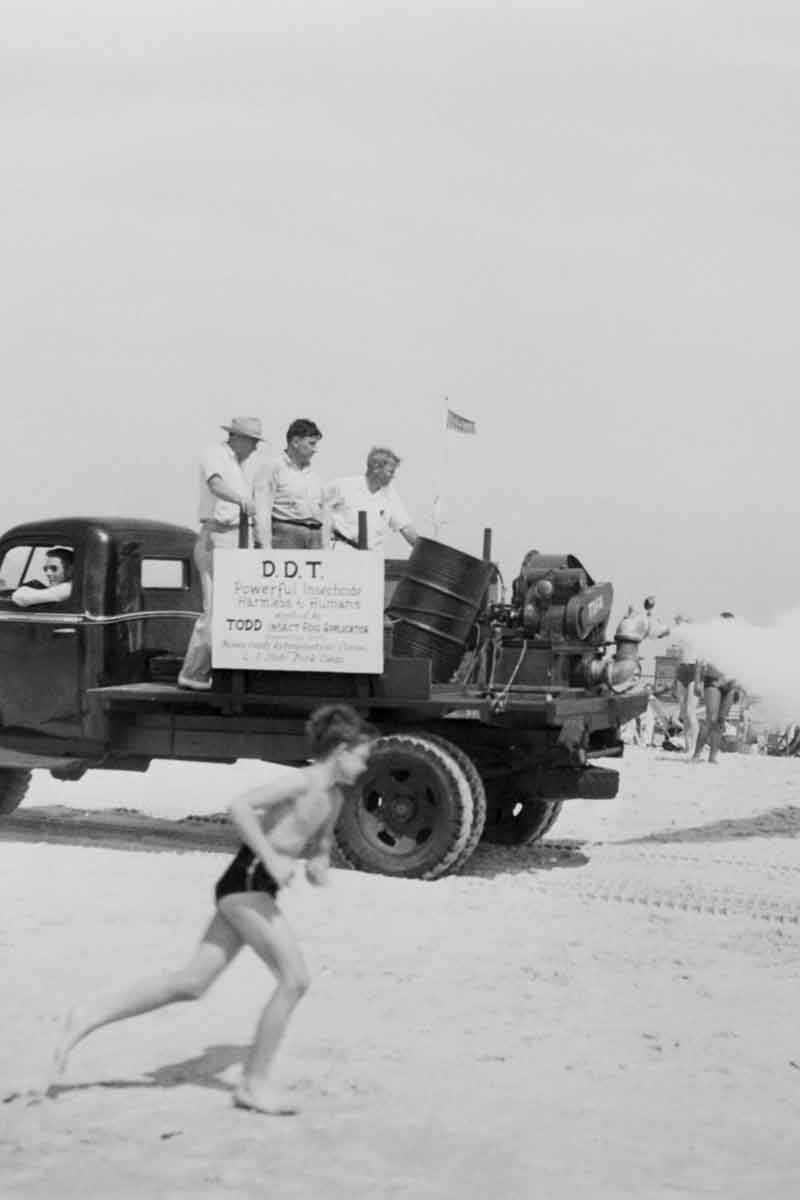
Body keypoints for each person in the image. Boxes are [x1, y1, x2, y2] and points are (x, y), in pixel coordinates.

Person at [51, 703, 375, 1115]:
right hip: (245, 883)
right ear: (342, 749)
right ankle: (254, 1084)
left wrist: (319, 863)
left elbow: (321, 844)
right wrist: (272, 857)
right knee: (294, 979)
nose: (365, 767)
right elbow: (239, 806)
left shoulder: (335, 798)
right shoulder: (301, 781)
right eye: (362, 757)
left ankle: (87, 1014)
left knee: (191, 982)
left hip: (259, 890)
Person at [178, 417, 262, 691]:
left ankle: (212, 671)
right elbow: (215, 485)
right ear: (237, 437)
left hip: (236, 536)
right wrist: (241, 500)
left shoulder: (239, 466)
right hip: (217, 535)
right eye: (252, 442)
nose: (254, 448)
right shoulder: (214, 454)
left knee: (232, 609)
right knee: (215, 610)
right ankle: (193, 672)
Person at [324, 446, 418, 552]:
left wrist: (427, 551)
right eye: (390, 472)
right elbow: (317, 508)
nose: (393, 476)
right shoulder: (342, 486)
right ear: (376, 468)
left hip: (372, 557)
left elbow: (406, 528)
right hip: (342, 552)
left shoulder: (391, 496)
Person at [253, 418, 324, 550]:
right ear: (296, 442)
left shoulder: (314, 477)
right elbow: (262, 510)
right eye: (311, 444)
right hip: (286, 537)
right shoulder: (273, 468)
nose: (315, 450)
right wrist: (264, 547)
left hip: (315, 537)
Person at [691, 612, 739, 765]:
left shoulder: (737, 642)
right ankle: (697, 754)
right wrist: (697, 682)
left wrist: (738, 687)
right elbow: (699, 662)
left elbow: (743, 665)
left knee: (720, 721)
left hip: (730, 684)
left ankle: (712, 756)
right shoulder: (710, 640)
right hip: (713, 680)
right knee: (710, 719)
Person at [672, 613, 700, 759]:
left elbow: (700, 659)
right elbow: (677, 661)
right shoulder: (679, 640)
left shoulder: (695, 635)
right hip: (681, 670)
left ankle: (694, 747)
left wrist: (698, 680)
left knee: (690, 711)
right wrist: (673, 681)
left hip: (693, 669)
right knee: (683, 713)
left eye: (679, 622)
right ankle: (688, 745)